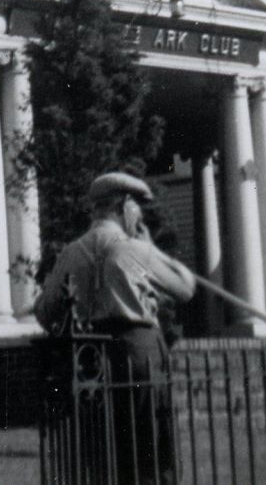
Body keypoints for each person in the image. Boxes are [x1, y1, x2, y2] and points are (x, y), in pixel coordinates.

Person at [37, 171, 198, 485]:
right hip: (139, 352)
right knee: (151, 445)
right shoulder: (137, 249)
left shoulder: (71, 253)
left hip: (90, 358)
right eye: (136, 206)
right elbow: (186, 287)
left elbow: (44, 312)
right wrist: (152, 248)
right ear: (124, 206)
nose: (139, 215)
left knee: (104, 450)